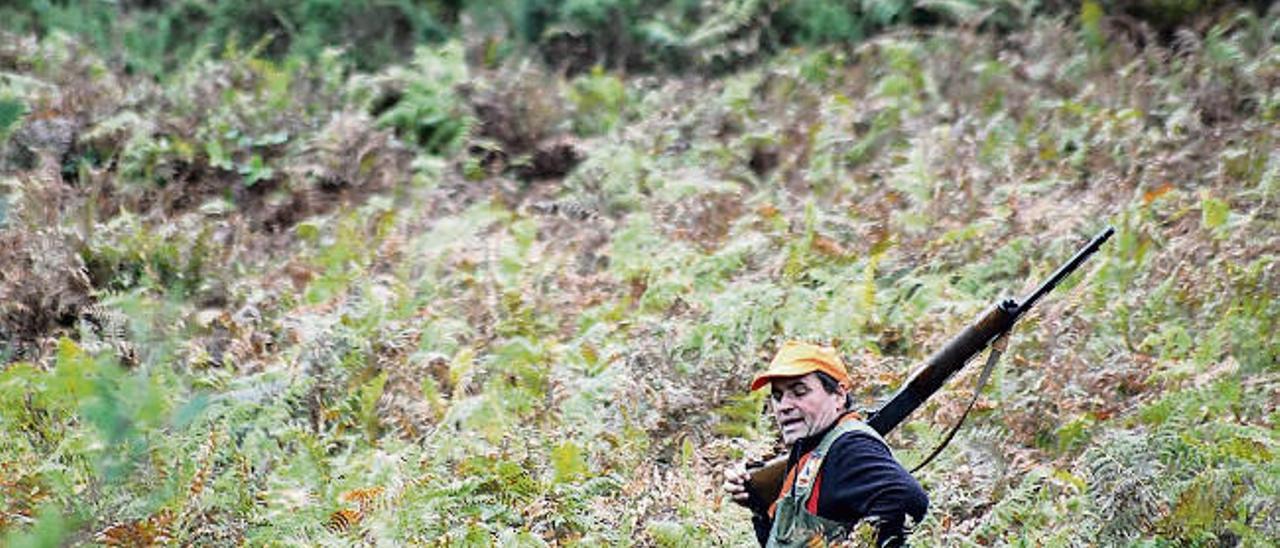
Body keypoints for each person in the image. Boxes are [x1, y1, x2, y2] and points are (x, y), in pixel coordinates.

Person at [722, 341, 928, 547]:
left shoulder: (849, 447)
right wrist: (758, 504)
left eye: (800, 392)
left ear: (838, 396)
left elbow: (909, 499)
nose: (783, 406)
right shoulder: (810, 449)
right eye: (777, 396)